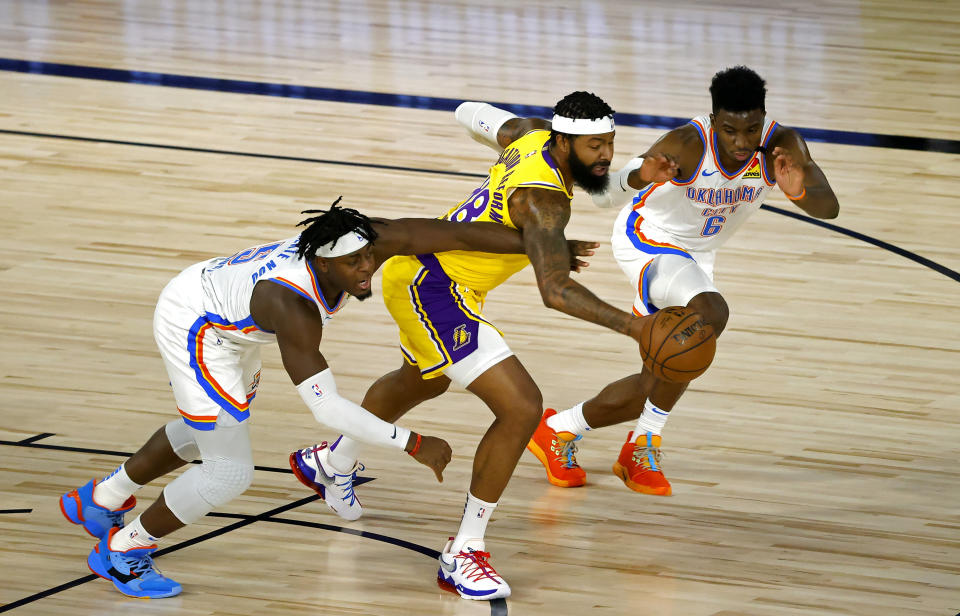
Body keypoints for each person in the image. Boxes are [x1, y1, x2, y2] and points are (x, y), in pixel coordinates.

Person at [58, 199, 543, 599]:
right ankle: (122, 550)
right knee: (228, 470)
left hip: (226, 315)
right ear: (322, 263)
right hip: (198, 326)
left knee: (210, 429)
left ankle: (102, 498)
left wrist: (540, 245)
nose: (366, 270)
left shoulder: (353, 240)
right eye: (353, 264)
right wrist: (411, 443)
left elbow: (439, 233)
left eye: (368, 257)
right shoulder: (292, 306)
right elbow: (325, 408)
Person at [292, 91, 670, 601]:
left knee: (423, 379)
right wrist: (636, 328)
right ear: (563, 141)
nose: (604, 155)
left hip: (432, 277)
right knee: (521, 407)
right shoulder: (545, 202)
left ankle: (332, 463)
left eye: (609, 144)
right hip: (434, 289)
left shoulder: (528, 134)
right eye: (593, 147)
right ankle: (464, 551)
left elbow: (468, 112)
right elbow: (554, 291)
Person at [530, 65, 840, 496]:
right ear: (713, 121)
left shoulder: (782, 146)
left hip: (696, 255)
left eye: (751, 129)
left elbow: (830, 209)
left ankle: (561, 429)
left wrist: (800, 190)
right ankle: (644, 444)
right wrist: (641, 176)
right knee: (710, 315)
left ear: (764, 119)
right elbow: (602, 195)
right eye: (730, 130)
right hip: (648, 240)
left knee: (664, 368)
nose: (740, 142)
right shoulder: (686, 145)